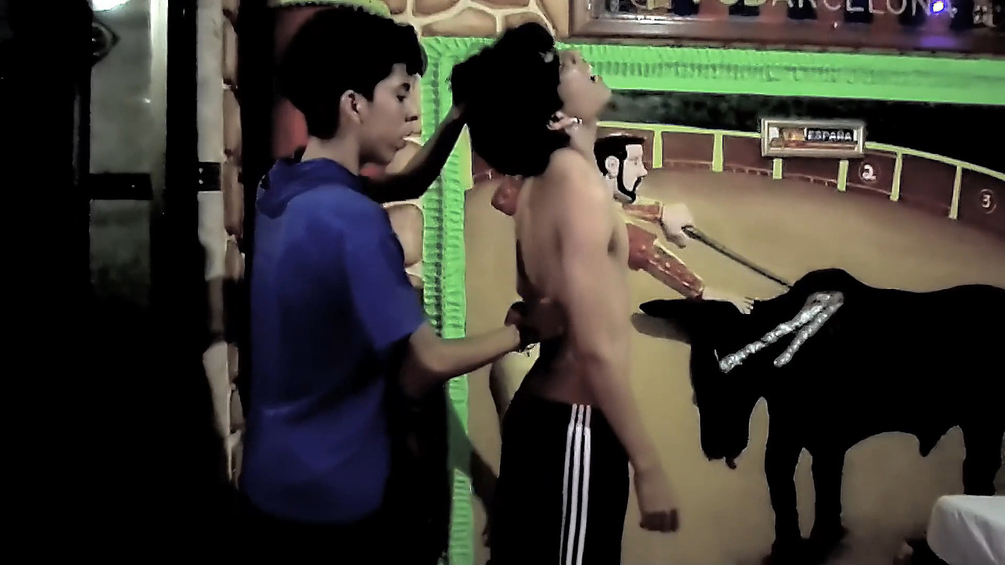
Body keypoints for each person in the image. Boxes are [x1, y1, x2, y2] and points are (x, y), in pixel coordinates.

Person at [241, 7, 561, 557]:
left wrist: (458, 115)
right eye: (401, 93)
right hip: (336, 500)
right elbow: (428, 360)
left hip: (271, 481)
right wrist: (525, 330)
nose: (414, 111)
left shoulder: (283, 183)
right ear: (354, 104)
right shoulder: (352, 220)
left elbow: (406, 182)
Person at [451, 23, 679, 565]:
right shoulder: (575, 184)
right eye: (560, 64)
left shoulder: (551, 179)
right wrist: (647, 466)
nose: (575, 56)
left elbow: (536, 296)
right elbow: (593, 346)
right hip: (575, 423)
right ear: (556, 118)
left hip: (554, 418)